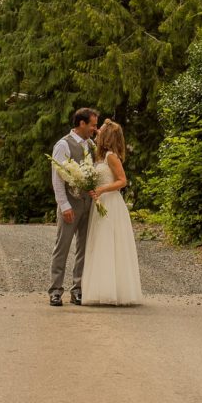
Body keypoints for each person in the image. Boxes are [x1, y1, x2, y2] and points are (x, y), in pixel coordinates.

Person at [81, 119, 143, 306]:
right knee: (100, 244)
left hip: (110, 203)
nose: (97, 132)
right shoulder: (101, 156)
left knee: (109, 244)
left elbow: (122, 181)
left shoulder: (110, 156)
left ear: (107, 136)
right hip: (101, 203)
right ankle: (102, 288)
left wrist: (101, 190)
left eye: (100, 131)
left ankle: (113, 291)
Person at [48, 107, 99, 307]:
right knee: (62, 247)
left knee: (84, 248)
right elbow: (57, 178)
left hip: (89, 204)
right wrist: (64, 205)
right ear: (82, 123)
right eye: (93, 125)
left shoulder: (92, 145)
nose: (95, 129)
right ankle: (55, 290)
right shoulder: (63, 145)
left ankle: (78, 289)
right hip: (70, 204)